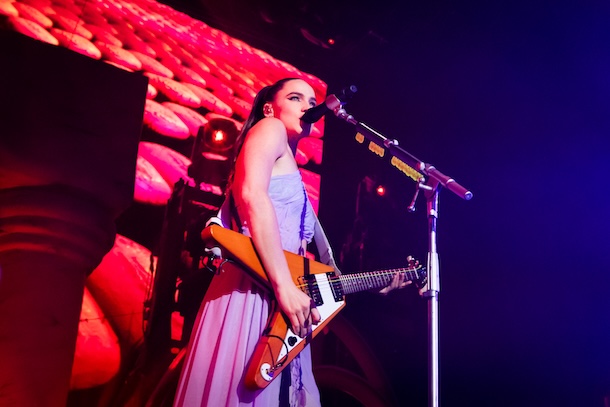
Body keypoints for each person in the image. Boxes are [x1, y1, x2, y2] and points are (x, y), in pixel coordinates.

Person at [173, 78, 409, 407]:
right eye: (296, 97)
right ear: (270, 107)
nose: (308, 106)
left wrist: (373, 284)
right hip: (256, 291)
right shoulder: (270, 128)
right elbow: (252, 196)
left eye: (311, 100)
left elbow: (306, 267)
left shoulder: (294, 176)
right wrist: (284, 287)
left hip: (284, 305)